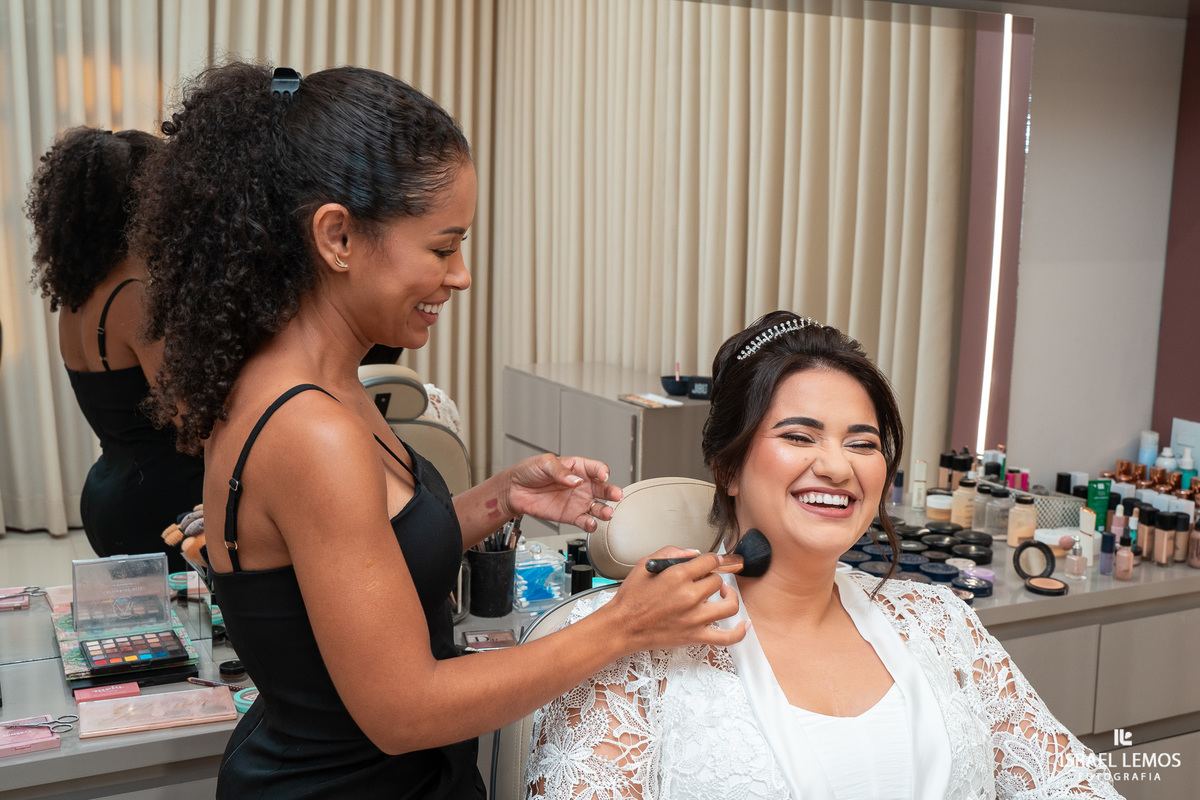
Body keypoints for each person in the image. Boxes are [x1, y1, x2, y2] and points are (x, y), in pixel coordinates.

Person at [130, 62, 748, 799]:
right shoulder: (311, 432)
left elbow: (357, 561)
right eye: (442, 246)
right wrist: (624, 624)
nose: (460, 277)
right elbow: (405, 710)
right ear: (337, 237)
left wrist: (500, 499)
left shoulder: (318, 384)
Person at [525, 311, 1122, 799]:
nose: (837, 466)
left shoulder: (941, 624)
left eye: (862, 443)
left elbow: (1074, 784)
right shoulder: (632, 648)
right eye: (799, 437)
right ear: (728, 468)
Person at [26, 127, 203, 572]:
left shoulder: (78, 298)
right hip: (159, 502)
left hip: (110, 489)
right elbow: (189, 418)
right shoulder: (134, 297)